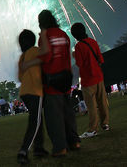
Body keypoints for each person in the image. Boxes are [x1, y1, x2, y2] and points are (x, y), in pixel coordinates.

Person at [21, 10, 79, 157]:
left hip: (52, 81)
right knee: (68, 113)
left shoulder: (45, 36)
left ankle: (60, 148)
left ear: (41, 22)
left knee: (54, 116)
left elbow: (46, 57)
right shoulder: (64, 34)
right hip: (66, 78)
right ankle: (74, 141)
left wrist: (30, 63)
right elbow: (66, 56)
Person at [70, 22, 109, 139]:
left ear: (75, 35)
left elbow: (80, 64)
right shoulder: (93, 42)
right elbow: (101, 59)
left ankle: (93, 129)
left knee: (91, 106)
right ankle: (105, 124)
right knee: (102, 102)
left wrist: (74, 55)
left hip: (88, 80)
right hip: (99, 77)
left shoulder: (78, 47)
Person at [16, 29, 47, 165]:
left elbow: (20, 77)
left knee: (37, 119)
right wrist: (44, 36)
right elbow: (46, 53)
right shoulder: (35, 50)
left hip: (24, 92)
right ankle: (24, 150)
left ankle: (38, 148)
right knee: (35, 121)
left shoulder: (22, 57)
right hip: (35, 90)